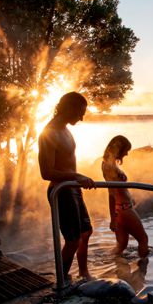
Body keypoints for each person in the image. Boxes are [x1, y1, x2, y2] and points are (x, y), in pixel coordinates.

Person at [38, 91, 95, 280]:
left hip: (73, 188)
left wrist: (76, 180)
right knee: (72, 240)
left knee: (86, 232)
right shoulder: (50, 132)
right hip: (61, 191)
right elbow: (46, 172)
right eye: (80, 112)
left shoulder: (65, 129)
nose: (82, 117)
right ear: (69, 108)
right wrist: (77, 176)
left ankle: (83, 273)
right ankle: (61, 281)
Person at [101, 135, 149, 258]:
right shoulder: (110, 167)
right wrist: (112, 219)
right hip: (124, 209)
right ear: (119, 149)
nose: (127, 154)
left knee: (121, 245)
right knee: (143, 240)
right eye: (126, 150)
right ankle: (143, 271)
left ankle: (111, 265)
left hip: (121, 209)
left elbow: (117, 190)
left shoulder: (108, 164)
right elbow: (111, 193)